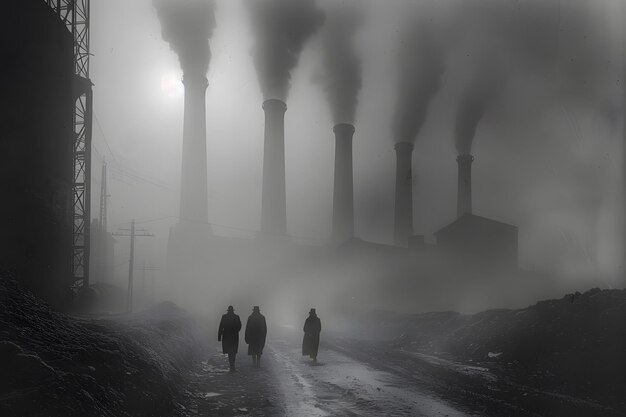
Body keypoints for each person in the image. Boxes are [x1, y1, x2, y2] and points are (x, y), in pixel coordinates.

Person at [218, 305, 242, 372]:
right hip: (234, 336)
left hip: (226, 336)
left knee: (229, 351)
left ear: (228, 310)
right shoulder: (236, 317)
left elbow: (221, 326)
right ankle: (232, 366)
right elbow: (239, 326)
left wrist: (219, 336)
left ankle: (231, 366)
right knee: (233, 352)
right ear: (233, 311)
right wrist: (236, 330)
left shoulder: (224, 317)